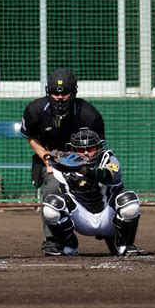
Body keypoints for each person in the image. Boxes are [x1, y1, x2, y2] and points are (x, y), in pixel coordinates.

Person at [20, 68, 106, 256]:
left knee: (104, 185)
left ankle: (110, 230)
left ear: (74, 92)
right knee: (53, 187)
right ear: (47, 91)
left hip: (83, 162)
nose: (60, 97)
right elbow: (32, 137)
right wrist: (47, 158)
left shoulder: (89, 114)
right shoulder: (35, 110)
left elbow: (97, 148)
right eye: (55, 93)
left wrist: (82, 165)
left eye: (65, 93)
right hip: (49, 161)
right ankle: (52, 240)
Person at [42, 127, 144, 256]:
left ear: (99, 148)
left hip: (108, 217)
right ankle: (68, 245)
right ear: (72, 150)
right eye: (80, 150)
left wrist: (82, 170)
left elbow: (107, 174)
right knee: (51, 205)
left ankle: (124, 244)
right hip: (81, 218)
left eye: (90, 149)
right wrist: (51, 159)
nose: (85, 153)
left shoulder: (109, 159)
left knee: (129, 200)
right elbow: (50, 158)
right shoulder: (64, 165)